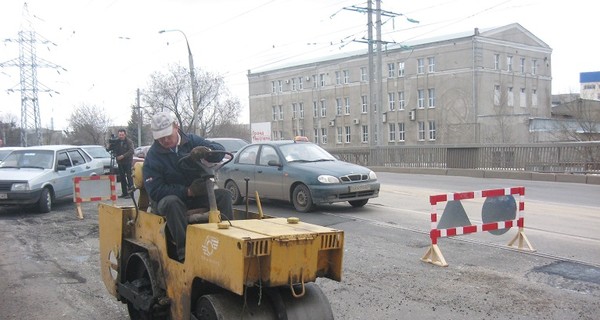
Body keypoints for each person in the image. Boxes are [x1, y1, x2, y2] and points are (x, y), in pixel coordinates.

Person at [143, 111, 233, 262]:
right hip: (170, 201)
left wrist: (208, 153)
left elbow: (218, 150)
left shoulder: (192, 141)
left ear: (176, 127)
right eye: (160, 138)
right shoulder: (153, 157)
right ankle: (184, 252)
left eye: (167, 135)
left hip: (197, 196)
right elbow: (156, 191)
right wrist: (188, 191)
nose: (165, 140)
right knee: (171, 202)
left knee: (224, 196)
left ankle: (228, 242)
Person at [110, 129, 134, 198]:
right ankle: (124, 192)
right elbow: (113, 149)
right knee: (122, 177)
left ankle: (131, 193)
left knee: (129, 177)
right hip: (120, 162)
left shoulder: (129, 142)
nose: (121, 136)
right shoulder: (117, 142)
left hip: (127, 161)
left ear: (125, 134)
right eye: (120, 135)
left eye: (122, 135)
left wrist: (123, 156)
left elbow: (131, 151)